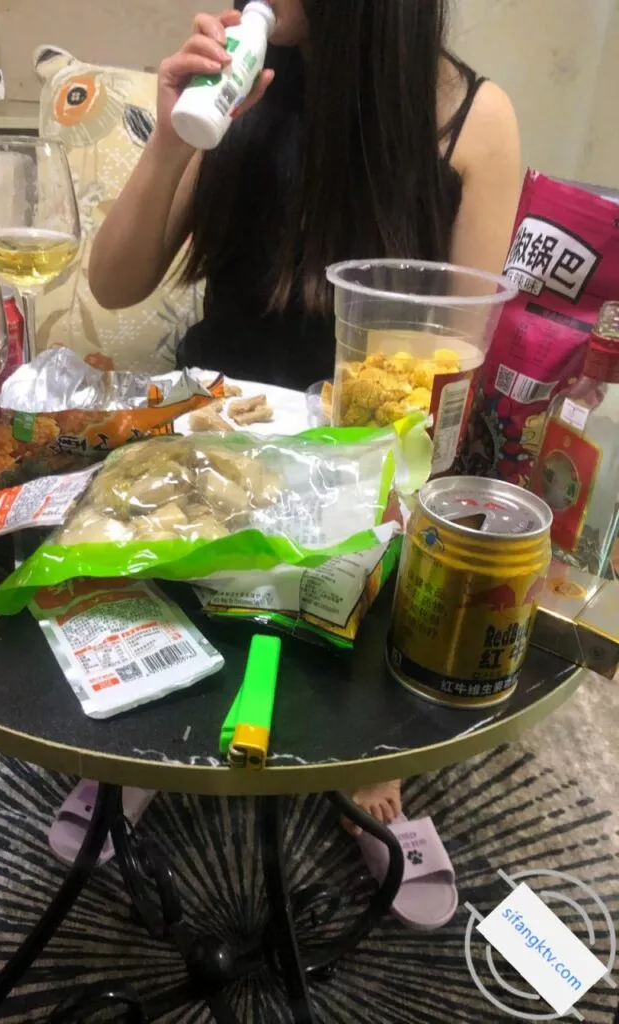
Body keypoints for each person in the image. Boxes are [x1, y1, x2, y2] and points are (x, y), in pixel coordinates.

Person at [89, 0, 521, 823]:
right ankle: (164, 700)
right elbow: (113, 283)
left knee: (365, 597)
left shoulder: (472, 119)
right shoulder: (245, 86)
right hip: (219, 444)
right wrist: (173, 138)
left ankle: (352, 725)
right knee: (144, 573)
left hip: (363, 464)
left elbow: (455, 365)